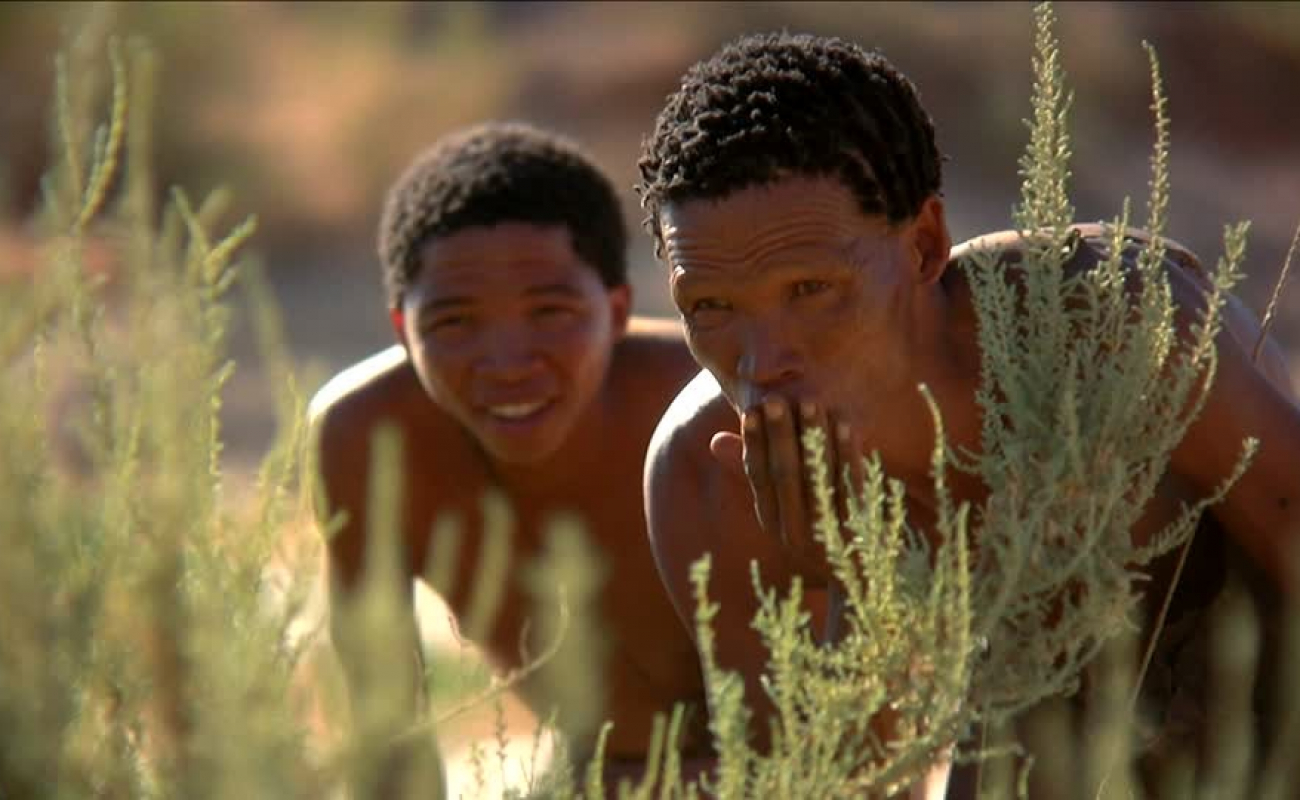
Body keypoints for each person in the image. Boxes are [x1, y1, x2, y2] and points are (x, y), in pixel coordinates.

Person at [637, 32, 1300, 798]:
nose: (762, 359)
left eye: (811, 291)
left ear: (923, 247)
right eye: (711, 306)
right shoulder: (703, 478)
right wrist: (869, 596)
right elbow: (838, 779)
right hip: (1033, 711)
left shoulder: (1105, 324)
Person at [308, 122, 712, 794]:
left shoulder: (707, 406)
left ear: (615, 312)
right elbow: (386, 739)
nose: (508, 364)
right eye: (455, 322)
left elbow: (856, 713)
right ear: (403, 332)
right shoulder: (369, 439)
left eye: (551, 312)